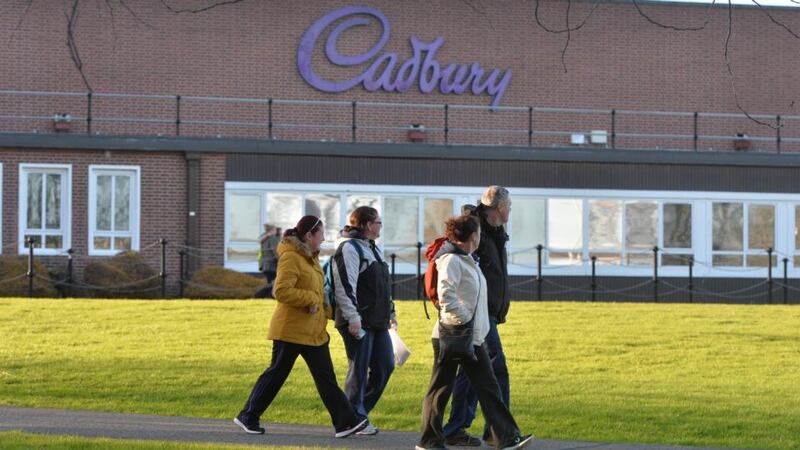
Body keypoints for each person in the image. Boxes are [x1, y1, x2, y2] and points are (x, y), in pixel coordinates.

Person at [234, 215, 367, 438]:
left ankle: (346, 423)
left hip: (312, 332)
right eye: (321, 235)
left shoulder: (310, 258)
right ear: (308, 236)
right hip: (291, 331)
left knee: (325, 378)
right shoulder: (291, 257)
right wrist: (310, 300)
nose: (324, 239)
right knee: (277, 374)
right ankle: (248, 416)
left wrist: (332, 314)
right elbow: (281, 291)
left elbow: (318, 292)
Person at [417, 214, 533, 450]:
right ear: (473, 236)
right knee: (441, 389)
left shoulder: (466, 258)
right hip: (454, 335)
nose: (481, 237)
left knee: (487, 387)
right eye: (479, 233)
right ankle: (429, 441)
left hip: (472, 336)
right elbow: (446, 296)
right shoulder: (451, 260)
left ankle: (506, 437)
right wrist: (466, 320)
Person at [444, 186, 513, 447]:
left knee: (470, 373)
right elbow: (459, 267)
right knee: (497, 371)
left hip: (488, 312)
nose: (510, 211)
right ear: (500, 207)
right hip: (477, 313)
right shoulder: (475, 229)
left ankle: (454, 429)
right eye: (509, 206)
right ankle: (502, 432)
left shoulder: (495, 231)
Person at [332, 206, 397, 435]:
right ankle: (352, 420)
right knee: (358, 370)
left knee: (385, 366)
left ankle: (357, 415)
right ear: (368, 224)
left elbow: (383, 286)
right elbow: (344, 285)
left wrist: (391, 312)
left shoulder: (373, 249)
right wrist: (353, 317)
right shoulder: (348, 248)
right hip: (357, 320)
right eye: (378, 222)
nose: (380, 226)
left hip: (377, 321)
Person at [255, 224, 281, 298]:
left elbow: (259, 239)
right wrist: (282, 261)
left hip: (265, 265)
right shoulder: (272, 238)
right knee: (273, 283)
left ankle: (266, 297)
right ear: (272, 230)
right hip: (272, 265)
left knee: (270, 281)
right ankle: (270, 297)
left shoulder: (264, 238)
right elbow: (276, 252)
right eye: (275, 230)